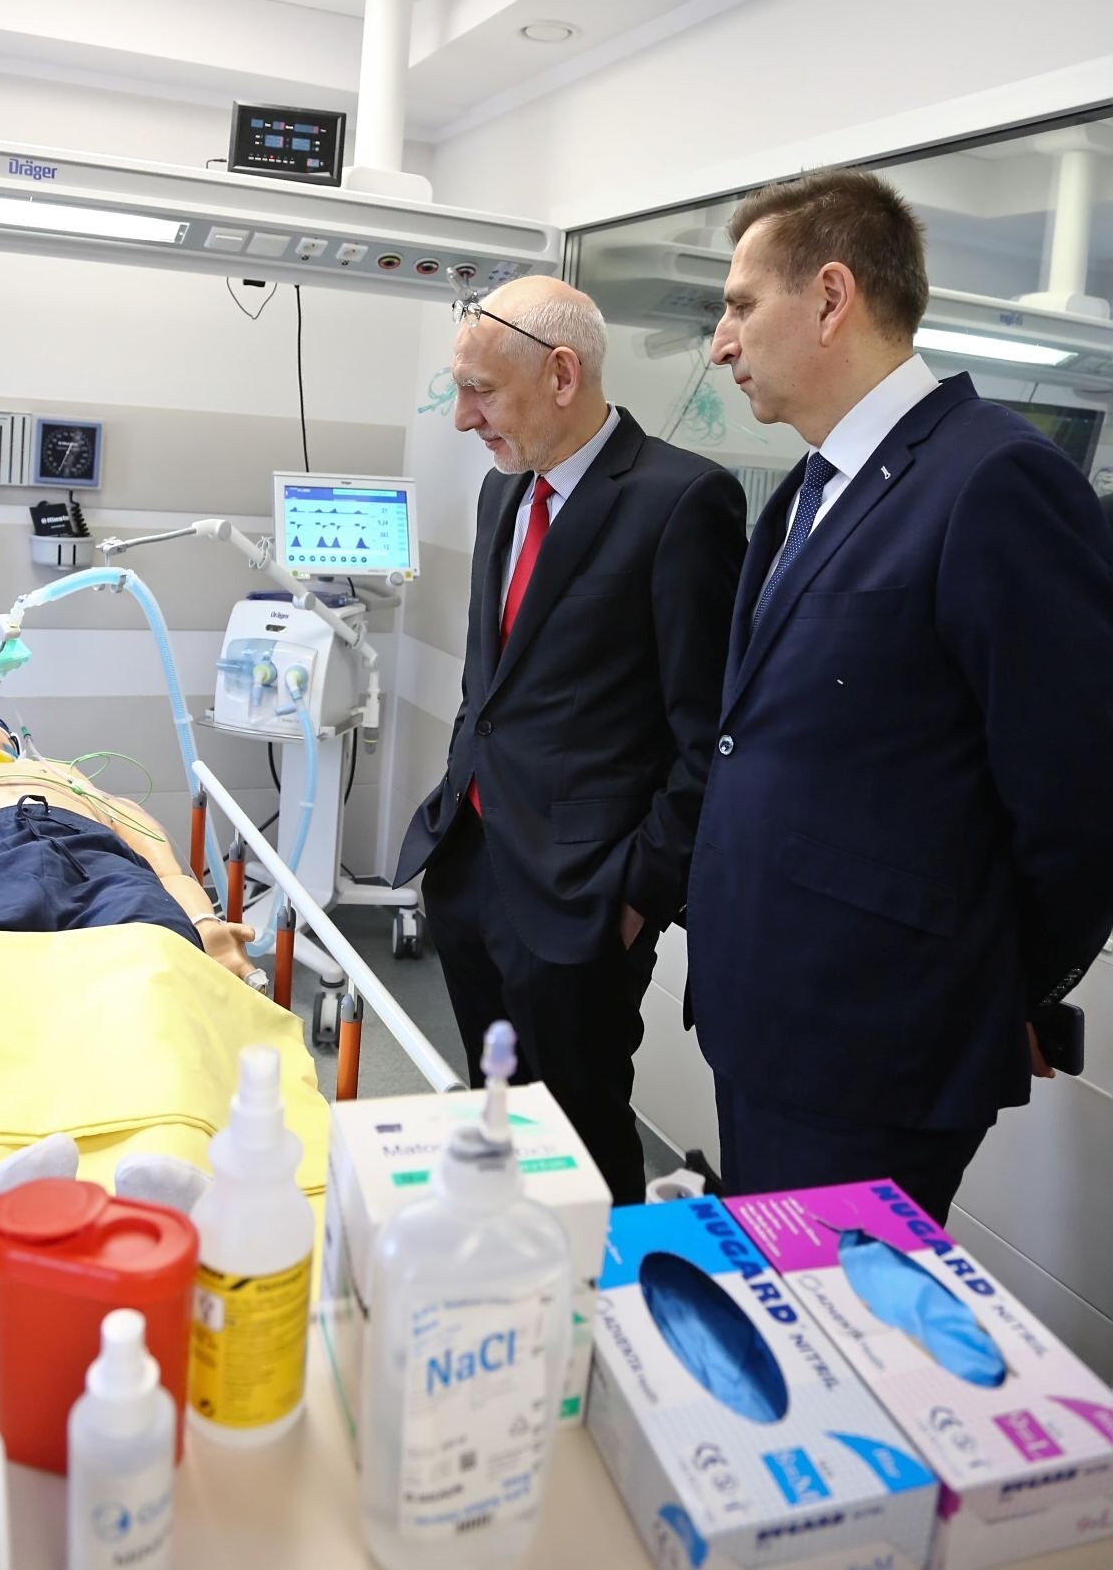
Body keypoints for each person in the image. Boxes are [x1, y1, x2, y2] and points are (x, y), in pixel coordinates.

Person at [690, 167, 1113, 1223]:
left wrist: (1005, 987)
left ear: (830, 298)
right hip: (766, 1013)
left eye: (739, 305)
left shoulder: (993, 481)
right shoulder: (806, 493)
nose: (720, 343)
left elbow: (1079, 796)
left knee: (833, 1313)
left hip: (874, 1043)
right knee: (777, 1294)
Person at [395, 277, 747, 1204]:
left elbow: (709, 736)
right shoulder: (503, 493)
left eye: (480, 391)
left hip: (582, 900)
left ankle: (601, 1292)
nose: (463, 418)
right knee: (500, 1120)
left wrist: (635, 896)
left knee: (582, 1141)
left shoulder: (681, 502)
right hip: (470, 866)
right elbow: (493, 687)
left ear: (561, 374)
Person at [0, 711, 253, 978]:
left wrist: (203, 925)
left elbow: (164, 869)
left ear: (18, 745)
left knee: (161, 961)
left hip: (97, 865)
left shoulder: (68, 775)